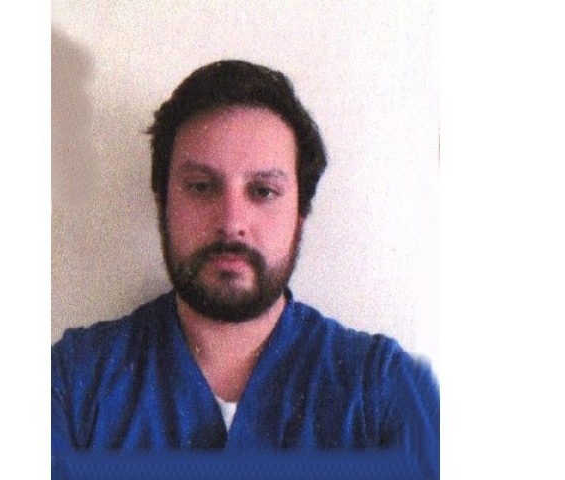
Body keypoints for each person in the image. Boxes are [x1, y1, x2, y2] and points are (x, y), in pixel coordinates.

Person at [51, 60, 439, 478]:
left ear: (300, 214)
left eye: (263, 191)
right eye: (202, 186)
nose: (231, 221)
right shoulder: (74, 385)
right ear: (163, 202)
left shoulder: (383, 392)